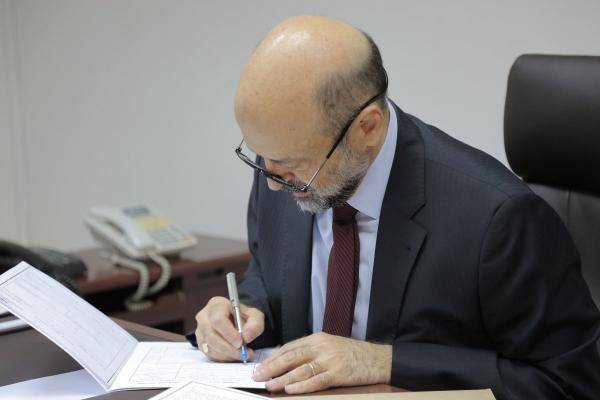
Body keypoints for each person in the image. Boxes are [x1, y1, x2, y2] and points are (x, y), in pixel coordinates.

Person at [189, 16, 600, 399]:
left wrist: (386, 362)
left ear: (367, 127)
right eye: (261, 157)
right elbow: (268, 278)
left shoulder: (499, 219)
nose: (272, 183)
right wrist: (244, 314)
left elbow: (570, 382)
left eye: (291, 164)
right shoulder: (282, 167)